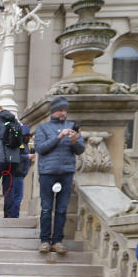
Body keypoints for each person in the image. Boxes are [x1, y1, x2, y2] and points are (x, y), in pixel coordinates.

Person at [35, 96, 84, 254]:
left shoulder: (72, 126)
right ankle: (44, 240)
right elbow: (40, 148)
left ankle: (57, 241)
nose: (64, 113)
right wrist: (59, 137)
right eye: (61, 110)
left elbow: (80, 150)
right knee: (46, 208)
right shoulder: (43, 128)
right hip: (47, 172)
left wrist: (75, 140)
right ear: (54, 111)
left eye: (65, 110)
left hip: (66, 173)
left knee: (62, 209)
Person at [4, 124, 34, 218]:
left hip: (20, 173)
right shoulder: (19, 144)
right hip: (16, 173)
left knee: (16, 196)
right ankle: (13, 215)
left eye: (29, 136)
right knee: (17, 196)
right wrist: (27, 157)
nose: (28, 137)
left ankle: (11, 214)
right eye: (26, 136)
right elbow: (15, 157)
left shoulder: (25, 145)